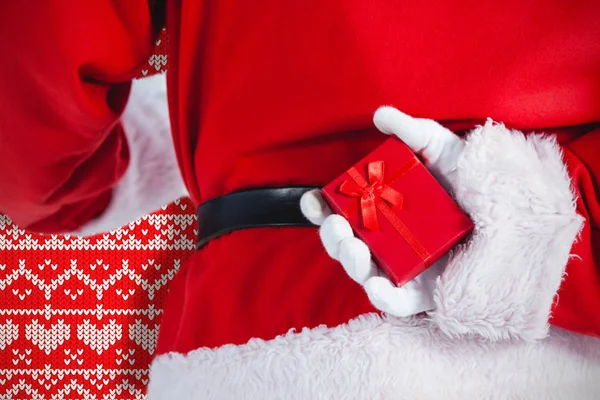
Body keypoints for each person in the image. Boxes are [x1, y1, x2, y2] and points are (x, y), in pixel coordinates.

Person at [1, 1, 599, 398]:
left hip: (247, 345)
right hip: (546, 354)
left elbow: (31, 74)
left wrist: (120, 169)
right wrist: (540, 234)